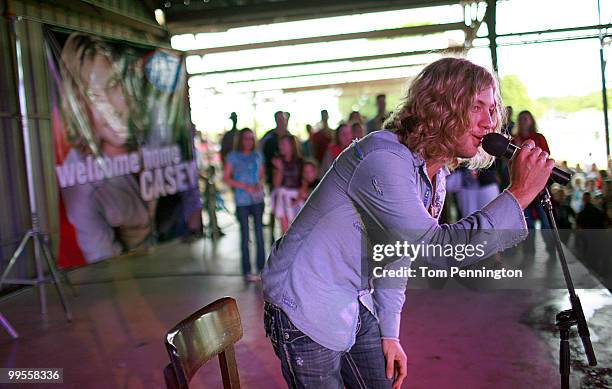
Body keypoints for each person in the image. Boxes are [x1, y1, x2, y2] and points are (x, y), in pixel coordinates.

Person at [261, 57, 553, 389]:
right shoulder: (384, 159)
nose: (490, 122)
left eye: (492, 109)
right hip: (306, 301)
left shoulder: (434, 174)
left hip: (355, 298)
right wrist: (518, 194)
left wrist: (390, 332)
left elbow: (396, 252)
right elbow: (437, 251)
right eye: (476, 106)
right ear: (441, 107)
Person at [56, 33, 153, 262]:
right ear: (79, 105)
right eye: (95, 97)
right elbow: (108, 271)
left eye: (114, 84)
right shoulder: (83, 189)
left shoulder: (150, 140)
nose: (112, 106)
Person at [223, 128, 266, 281]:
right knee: (245, 235)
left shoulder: (257, 155)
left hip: (256, 199)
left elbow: (261, 174)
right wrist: (243, 186)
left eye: (251, 138)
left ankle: (262, 267)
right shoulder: (233, 157)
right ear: (240, 140)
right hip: (242, 200)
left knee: (259, 233)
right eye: (246, 138)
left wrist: (257, 185)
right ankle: (247, 270)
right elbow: (226, 178)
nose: (248, 141)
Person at [512, 110, 553, 254]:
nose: (523, 121)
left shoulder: (538, 137)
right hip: (521, 184)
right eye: (521, 118)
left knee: (545, 218)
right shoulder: (514, 139)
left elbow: (547, 157)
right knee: (525, 220)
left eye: (526, 118)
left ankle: (551, 249)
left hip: (539, 183)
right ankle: (529, 251)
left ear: (531, 120)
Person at [271, 135, 303, 233]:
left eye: (283, 144)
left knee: (299, 228)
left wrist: (300, 196)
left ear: (292, 146)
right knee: (285, 231)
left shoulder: (300, 162)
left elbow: (304, 181)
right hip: (283, 197)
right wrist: (280, 168)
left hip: (297, 196)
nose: (281, 146)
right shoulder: (278, 161)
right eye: (280, 144)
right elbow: (276, 184)